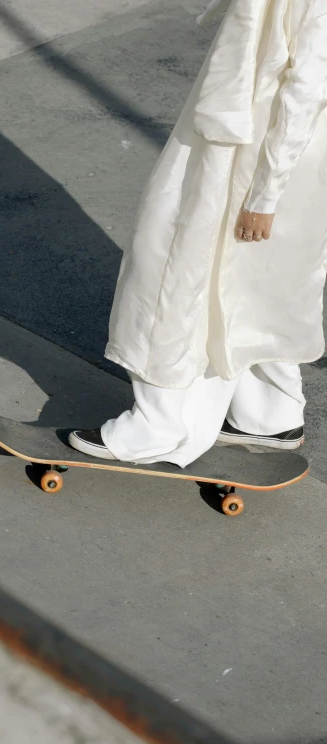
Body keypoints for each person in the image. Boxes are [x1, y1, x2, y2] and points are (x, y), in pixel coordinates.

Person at [69, 0, 327, 468]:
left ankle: (159, 426)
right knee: (259, 286)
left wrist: (265, 196)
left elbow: (309, 85)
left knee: (171, 266)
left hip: (251, 152)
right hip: (274, 148)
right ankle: (270, 415)